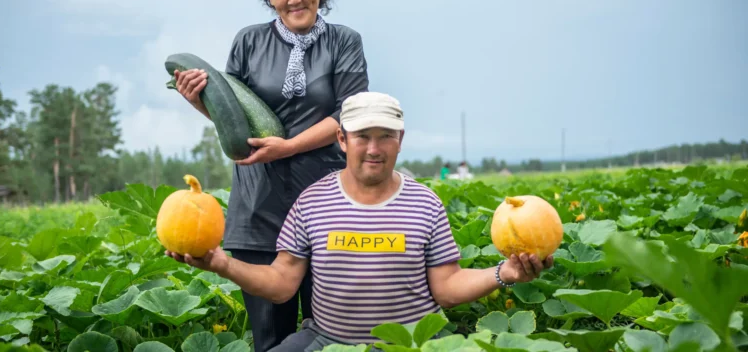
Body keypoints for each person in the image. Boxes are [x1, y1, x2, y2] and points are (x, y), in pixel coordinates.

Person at [166, 91, 555, 351]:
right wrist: (221, 264)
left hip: (409, 346)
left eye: (384, 136)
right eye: (362, 136)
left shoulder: (425, 203)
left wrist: (504, 273)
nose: (373, 149)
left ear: (400, 139)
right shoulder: (312, 201)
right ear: (341, 139)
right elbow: (282, 285)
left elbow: (448, 288)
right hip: (327, 342)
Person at [171, 0, 369, 352]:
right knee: (269, 340)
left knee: (331, 336)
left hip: (326, 206)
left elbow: (349, 115)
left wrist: (290, 146)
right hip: (257, 210)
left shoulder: (345, 41)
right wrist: (198, 101)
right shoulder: (248, 41)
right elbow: (234, 120)